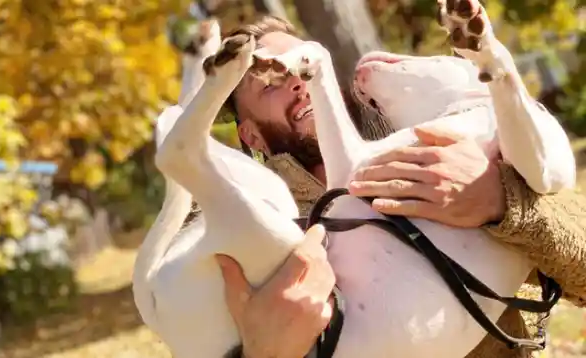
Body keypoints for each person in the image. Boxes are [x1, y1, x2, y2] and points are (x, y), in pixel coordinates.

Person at [208, 16, 586, 358]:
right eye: (272, 80)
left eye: (296, 64)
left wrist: (502, 203)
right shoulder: (249, 223)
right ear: (251, 136)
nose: (295, 80)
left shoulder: (428, 132)